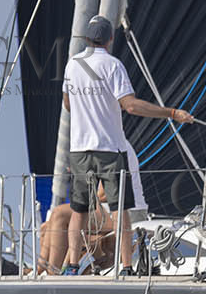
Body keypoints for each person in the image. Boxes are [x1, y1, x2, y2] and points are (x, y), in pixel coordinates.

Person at [61, 14, 190, 276]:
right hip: (109, 149)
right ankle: (127, 267)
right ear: (110, 39)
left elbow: (67, 103)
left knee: (79, 211)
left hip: (80, 149)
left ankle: (72, 266)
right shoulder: (113, 65)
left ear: (87, 38)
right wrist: (172, 113)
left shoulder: (72, 65)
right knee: (120, 210)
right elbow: (130, 106)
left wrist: (89, 111)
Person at [40, 144, 148, 275]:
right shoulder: (102, 146)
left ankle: (53, 273)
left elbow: (103, 195)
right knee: (47, 226)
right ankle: (40, 269)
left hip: (129, 211)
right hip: (107, 209)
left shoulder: (112, 147)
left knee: (60, 214)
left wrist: (81, 178)